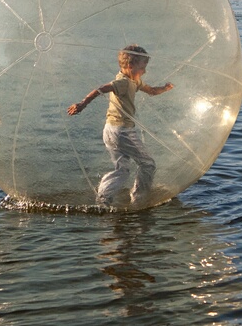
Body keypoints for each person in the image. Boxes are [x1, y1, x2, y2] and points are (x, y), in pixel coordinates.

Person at [68, 44, 173, 206]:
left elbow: (151, 91)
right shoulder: (123, 82)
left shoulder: (134, 80)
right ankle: (140, 198)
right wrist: (82, 104)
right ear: (130, 66)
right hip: (122, 132)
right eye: (143, 67)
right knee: (148, 164)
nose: (144, 71)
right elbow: (101, 89)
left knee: (122, 170)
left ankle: (103, 196)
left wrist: (164, 89)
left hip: (110, 130)